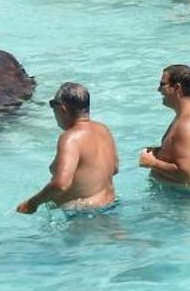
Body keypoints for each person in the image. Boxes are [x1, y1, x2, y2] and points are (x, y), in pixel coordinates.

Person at [17, 81, 120, 214]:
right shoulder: (103, 130)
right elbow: (115, 169)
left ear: (63, 109)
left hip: (84, 215)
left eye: (53, 105)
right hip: (110, 204)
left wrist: (31, 203)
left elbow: (61, 184)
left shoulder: (70, 138)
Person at [139, 63, 190, 190]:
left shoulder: (188, 126)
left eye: (162, 84)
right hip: (180, 197)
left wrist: (152, 162)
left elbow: (186, 174)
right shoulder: (188, 113)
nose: (158, 90)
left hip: (184, 200)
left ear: (177, 88)